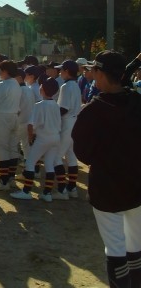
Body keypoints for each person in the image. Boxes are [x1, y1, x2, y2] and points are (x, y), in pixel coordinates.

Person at [72, 50, 141, 287]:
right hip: (137, 185)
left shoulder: (93, 111)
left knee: (115, 247)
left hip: (107, 188)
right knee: (136, 244)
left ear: (100, 73)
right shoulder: (137, 102)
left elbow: (83, 153)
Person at [10, 77, 62, 203]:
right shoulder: (56, 105)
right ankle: (47, 193)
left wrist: (30, 137)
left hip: (43, 137)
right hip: (55, 137)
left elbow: (30, 125)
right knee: (49, 164)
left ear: (42, 89)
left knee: (30, 163)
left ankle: (26, 191)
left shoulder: (39, 105)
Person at [0, 60, 21, 191]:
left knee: (1, 148)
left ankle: (3, 181)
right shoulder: (16, 84)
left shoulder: (2, 85)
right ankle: (10, 178)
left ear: (6, 71)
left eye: (1, 70)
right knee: (12, 147)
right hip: (14, 116)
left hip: (2, 117)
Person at [53, 59, 82, 200]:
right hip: (75, 122)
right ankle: (72, 188)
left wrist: (53, 120)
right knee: (71, 156)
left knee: (56, 157)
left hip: (67, 123)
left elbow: (63, 109)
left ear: (67, 71)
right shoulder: (75, 85)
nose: (59, 72)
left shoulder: (66, 86)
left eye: (61, 70)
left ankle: (62, 190)